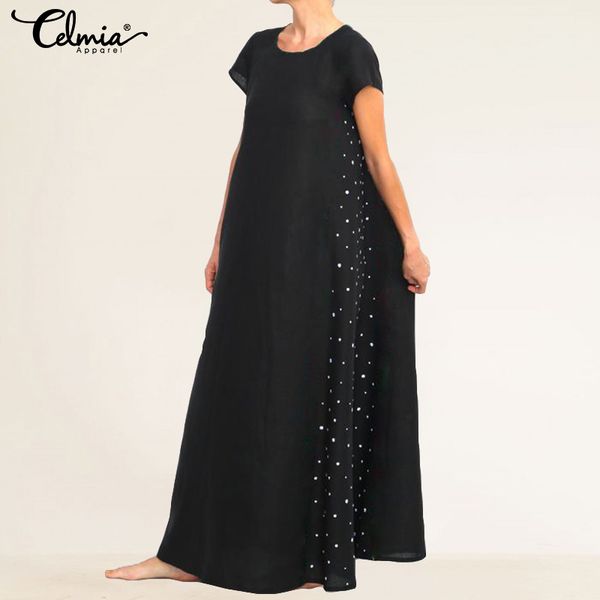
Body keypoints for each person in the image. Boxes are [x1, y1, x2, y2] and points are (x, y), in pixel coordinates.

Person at [105, 0, 430, 593]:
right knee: (228, 382)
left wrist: (410, 243)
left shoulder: (351, 52)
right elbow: (246, 149)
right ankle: (185, 552)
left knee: (300, 382)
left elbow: (377, 155)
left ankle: (302, 557)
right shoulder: (259, 49)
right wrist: (219, 242)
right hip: (254, 243)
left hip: (323, 248)